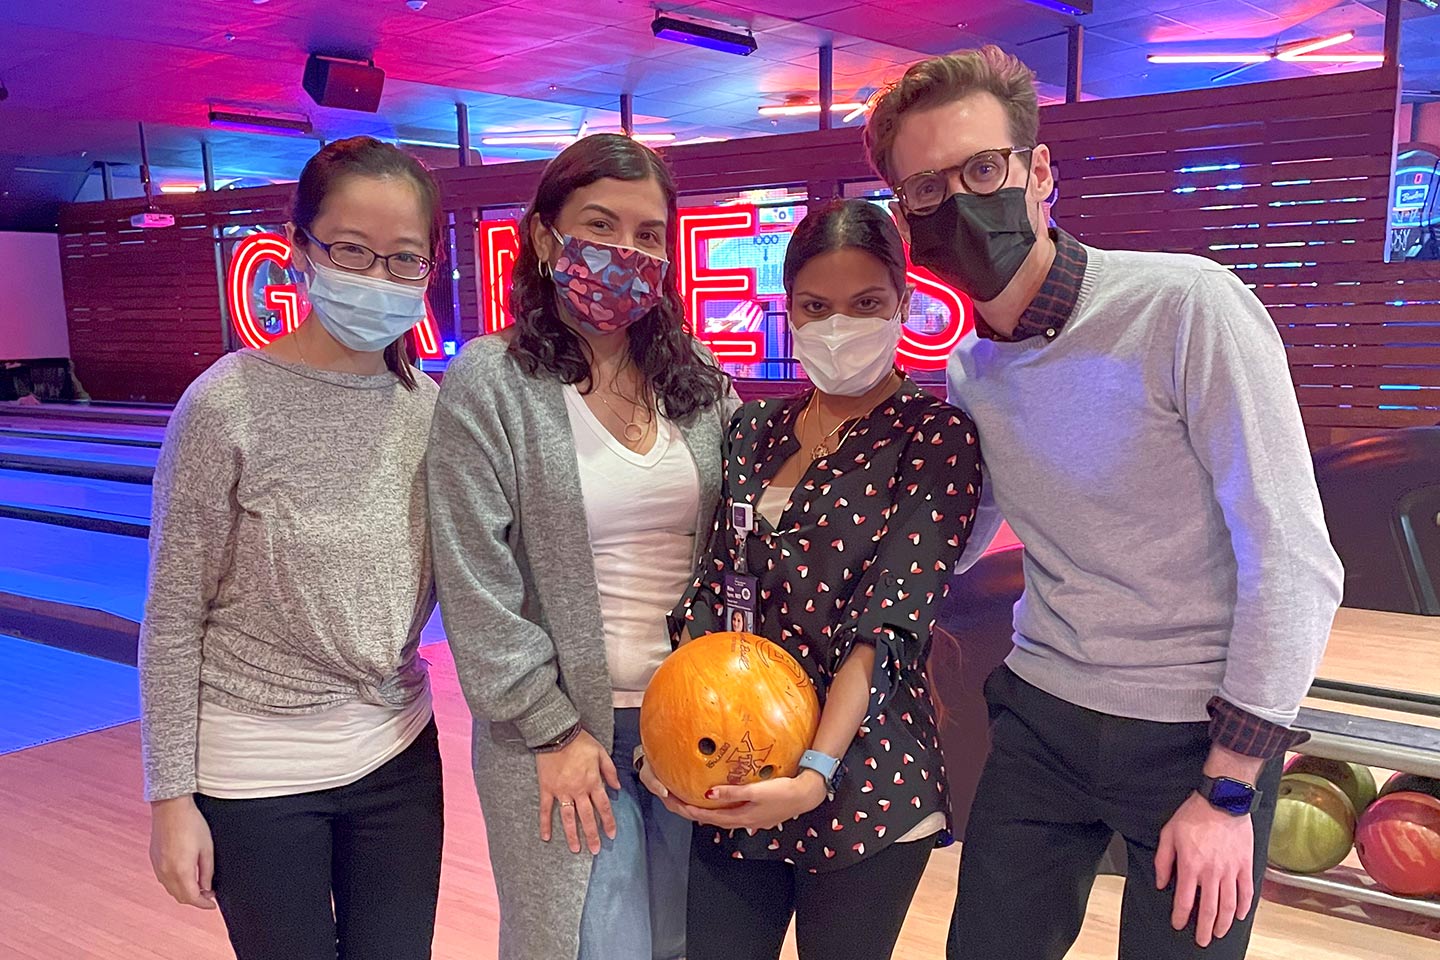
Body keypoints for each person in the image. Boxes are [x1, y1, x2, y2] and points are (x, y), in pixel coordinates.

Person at [862, 47, 1346, 960]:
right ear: (906, 216)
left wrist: (1232, 788)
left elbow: (1293, 559)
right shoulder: (974, 370)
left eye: (983, 169)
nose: (959, 200)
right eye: (927, 188)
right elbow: (964, 538)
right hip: (1043, 717)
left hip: (1196, 739)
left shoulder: (1187, 307)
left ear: (1039, 173)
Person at [426, 134, 735, 960]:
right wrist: (551, 731)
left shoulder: (696, 379)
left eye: (648, 234)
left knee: (680, 944)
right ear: (543, 237)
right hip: (566, 735)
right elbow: (473, 578)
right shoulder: (492, 380)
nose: (626, 253)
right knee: (587, 946)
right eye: (601, 226)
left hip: (697, 725)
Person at [647, 198, 983, 960]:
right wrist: (669, 739)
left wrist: (816, 771)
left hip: (864, 769)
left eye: (866, 304)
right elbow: (711, 594)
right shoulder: (752, 428)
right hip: (738, 760)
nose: (840, 326)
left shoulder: (933, 436)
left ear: (904, 301)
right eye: (816, 306)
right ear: (789, 310)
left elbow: (889, 622)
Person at [139, 136, 445, 960]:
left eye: (403, 259)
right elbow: (171, 618)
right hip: (255, 772)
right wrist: (171, 799)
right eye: (352, 250)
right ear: (300, 249)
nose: (376, 277)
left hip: (399, 753)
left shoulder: (427, 411)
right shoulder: (224, 405)